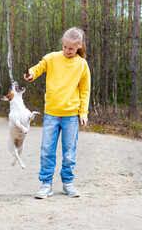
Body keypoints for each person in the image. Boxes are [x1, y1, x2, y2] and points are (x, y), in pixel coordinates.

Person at [23, 27, 91, 199]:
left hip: (71, 116)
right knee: (47, 149)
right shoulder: (52, 58)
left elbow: (85, 91)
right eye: (65, 47)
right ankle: (46, 184)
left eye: (71, 48)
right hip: (52, 114)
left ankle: (68, 183)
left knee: (69, 151)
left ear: (79, 47)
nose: (67, 51)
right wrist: (31, 74)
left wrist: (83, 113)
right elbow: (38, 68)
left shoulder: (82, 65)